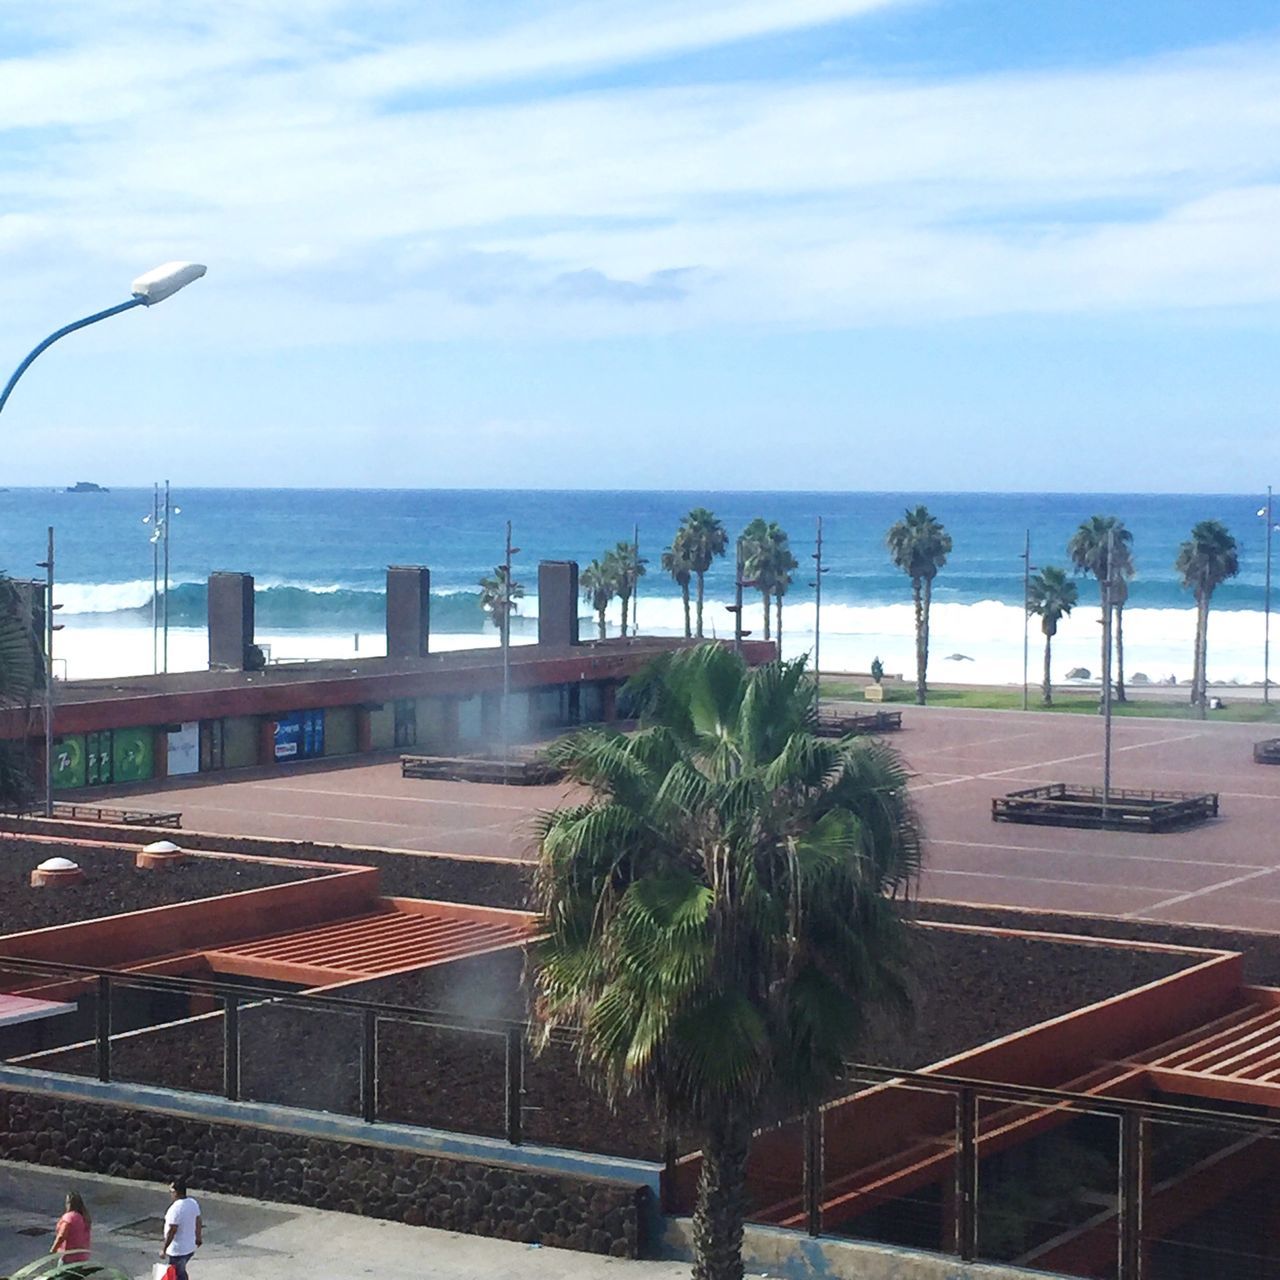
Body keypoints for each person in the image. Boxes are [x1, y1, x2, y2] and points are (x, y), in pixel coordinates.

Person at [161, 1178, 202, 1280]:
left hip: (177, 1250)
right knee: (180, 1271)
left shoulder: (175, 1209)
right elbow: (198, 1221)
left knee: (178, 1274)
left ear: (176, 1192)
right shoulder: (193, 1203)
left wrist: (164, 1249)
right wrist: (198, 1237)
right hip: (190, 1247)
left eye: (171, 1191)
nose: (170, 1194)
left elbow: (172, 1231)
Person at [51, 1191, 92, 1263]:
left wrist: (53, 1250)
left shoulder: (69, 1217)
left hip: (68, 1257)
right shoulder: (84, 1217)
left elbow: (61, 1236)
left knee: (60, 1274)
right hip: (81, 1256)